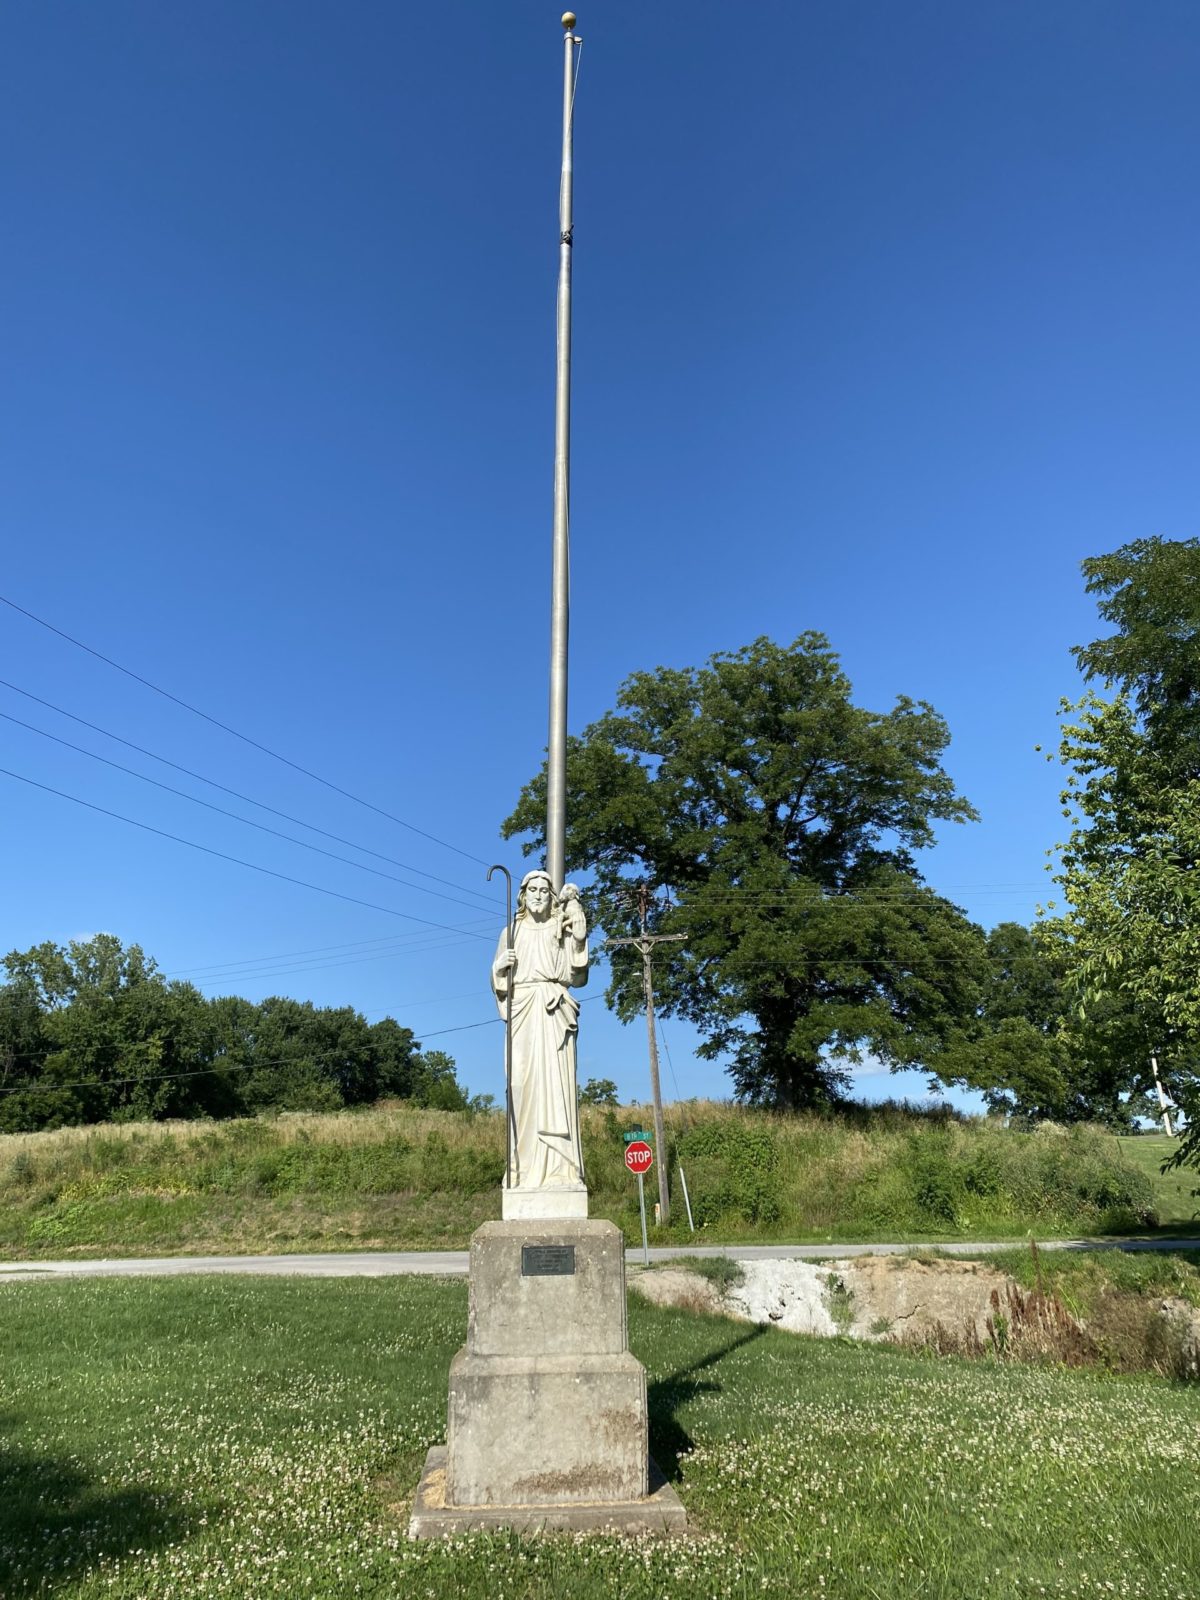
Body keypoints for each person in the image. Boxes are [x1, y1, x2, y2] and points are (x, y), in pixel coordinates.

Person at [491, 869, 588, 1190]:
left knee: (556, 1086)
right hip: (522, 1012)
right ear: (523, 895)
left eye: (544, 890)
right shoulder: (511, 932)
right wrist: (499, 969)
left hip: (553, 1012)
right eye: (532, 889)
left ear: (551, 896)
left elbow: (577, 977)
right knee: (519, 1085)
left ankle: (561, 1169)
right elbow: (500, 983)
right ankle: (520, 1168)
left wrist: (577, 938)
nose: (537, 895)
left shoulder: (559, 928)